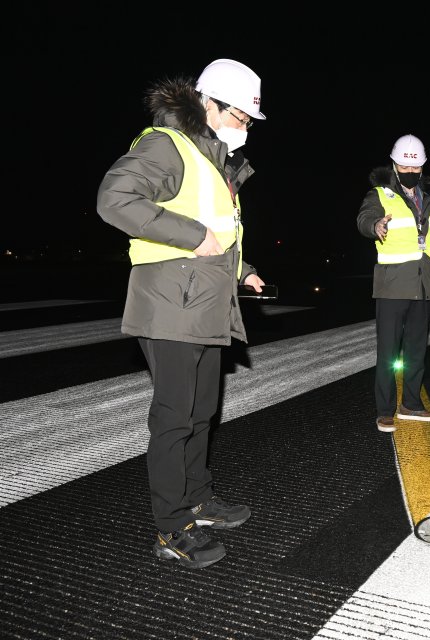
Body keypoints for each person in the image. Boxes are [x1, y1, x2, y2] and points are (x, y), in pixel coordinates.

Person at [97, 59, 268, 569]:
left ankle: (197, 499)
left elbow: (219, 229)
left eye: (249, 121)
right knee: (174, 418)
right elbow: (115, 199)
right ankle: (171, 528)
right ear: (209, 103)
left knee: (201, 413)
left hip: (208, 303)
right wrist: (193, 238)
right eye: (240, 116)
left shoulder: (210, 158)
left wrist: (244, 270)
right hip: (170, 304)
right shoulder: (166, 144)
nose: (245, 128)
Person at [356, 134, 430, 433]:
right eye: (404, 166)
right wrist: (375, 225)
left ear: (423, 168)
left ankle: (411, 404)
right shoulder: (379, 194)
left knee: (417, 349)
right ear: (394, 164)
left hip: (425, 285)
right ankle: (384, 409)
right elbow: (364, 218)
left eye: (415, 168)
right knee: (388, 351)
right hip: (392, 285)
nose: (410, 172)